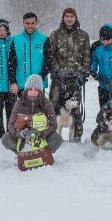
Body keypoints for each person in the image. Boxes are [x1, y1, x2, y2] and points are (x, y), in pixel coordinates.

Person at [44, 7, 91, 142]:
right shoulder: (55, 35)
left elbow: (87, 57)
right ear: (63, 18)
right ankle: (52, 138)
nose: (69, 18)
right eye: (67, 16)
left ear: (75, 18)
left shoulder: (83, 35)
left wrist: (83, 75)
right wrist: (58, 70)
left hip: (75, 80)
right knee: (53, 110)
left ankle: (76, 140)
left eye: (72, 16)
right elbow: (50, 56)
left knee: (75, 110)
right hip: (58, 81)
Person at [1, 74, 63, 153]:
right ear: (26, 90)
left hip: (41, 138)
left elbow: (53, 125)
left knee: (57, 139)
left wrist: (41, 133)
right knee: (5, 139)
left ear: (40, 91)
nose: (33, 92)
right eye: (30, 89)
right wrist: (19, 133)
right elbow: (10, 124)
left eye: (36, 90)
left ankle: (43, 153)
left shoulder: (47, 103)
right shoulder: (19, 103)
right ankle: (22, 152)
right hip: (23, 138)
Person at [8, 12, 49, 93]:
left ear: (36, 23)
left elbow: (48, 60)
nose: (30, 26)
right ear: (23, 23)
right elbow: (11, 62)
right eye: (27, 23)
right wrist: (13, 81)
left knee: (39, 106)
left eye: (32, 23)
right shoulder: (16, 39)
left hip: (39, 84)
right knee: (22, 106)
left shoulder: (44, 39)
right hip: (22, 84)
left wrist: (41, 76)